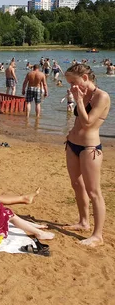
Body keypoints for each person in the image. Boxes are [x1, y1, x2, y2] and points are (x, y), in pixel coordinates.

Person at [63, 64, 111, 247]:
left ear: (85, 78)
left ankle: (97, 235)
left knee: (94, 191)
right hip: (73, 144)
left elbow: (88, 123)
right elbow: (77, 121)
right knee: (77, 185)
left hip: (90, 148)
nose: (72, 87)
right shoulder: (81, 94)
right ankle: (84, 221)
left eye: (73, 82)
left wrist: (79, 101)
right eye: (69, 84)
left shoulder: (102, 96)